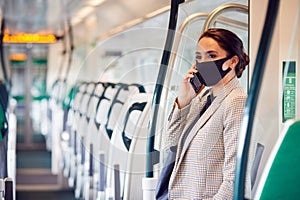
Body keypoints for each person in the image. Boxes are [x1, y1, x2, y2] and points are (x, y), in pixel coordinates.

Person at [164, 28, 250, 199]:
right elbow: (171, 146)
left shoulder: (236, 101)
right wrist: (184, 100)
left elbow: (235, 179)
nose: (202, 63)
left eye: (211, 56)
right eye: (198, 57)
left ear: (232, 61)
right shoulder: (203, 98)